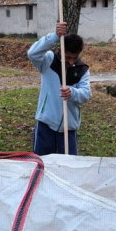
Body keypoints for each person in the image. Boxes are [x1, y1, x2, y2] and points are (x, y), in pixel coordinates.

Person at [27, 22, 91, 155]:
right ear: (61, 50)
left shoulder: (82, 69)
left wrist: (73, 93)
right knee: (42, 163)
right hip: (46, 125)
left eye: (75, 58)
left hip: (69, 129)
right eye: (68, 57)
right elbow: (32, 53)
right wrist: (55, 36)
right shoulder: (48, 61)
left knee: (68, 168)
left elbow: (86, 93)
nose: (72, 62)